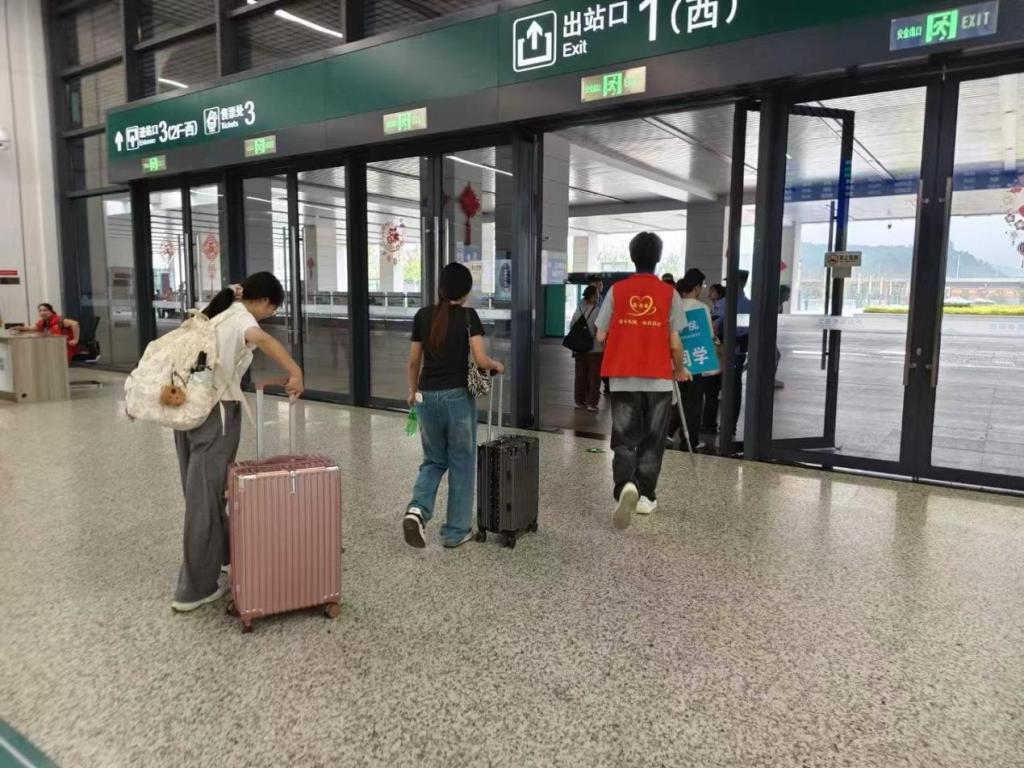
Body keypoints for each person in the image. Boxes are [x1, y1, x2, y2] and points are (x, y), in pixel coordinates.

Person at [171, 272, 304, 613]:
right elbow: (264, 340)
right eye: (273, 309)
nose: (271, 315)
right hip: (215, 414)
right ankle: (194, 589)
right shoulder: (242, 318)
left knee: (202, 494)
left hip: (185, 409)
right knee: (205, 501)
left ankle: (227, 555)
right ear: (264, 301)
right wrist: (295, 371)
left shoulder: (217, 311)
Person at [404, 262, 504, 550]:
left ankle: (417, 510)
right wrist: (497, 365)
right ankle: (455, 531)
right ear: (466, 291)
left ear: (441, 288)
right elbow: (481, 360)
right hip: (457, 398)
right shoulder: (468, 316)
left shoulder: (423, 316)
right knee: (461, 462)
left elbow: (413, 361)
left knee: (434, 461)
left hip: (426, 396)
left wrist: (413, 391)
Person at [596, 233, 690, 529]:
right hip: (659, 380)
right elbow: (675, 343)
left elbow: (600, 335)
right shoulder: (669, 294)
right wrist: (680, 370)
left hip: (623, 377)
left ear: (632, 255)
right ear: (658, 258)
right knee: (653, 439)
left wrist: (624, 336)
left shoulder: (617, 291)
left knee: (624, 438)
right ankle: (646, 496)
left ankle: (625, 485)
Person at [670, 269, 719, 452]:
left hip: (677, 360)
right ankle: (690, 440)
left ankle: (668, 432)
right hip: (696, 362)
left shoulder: (674, 305)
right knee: (695, 402)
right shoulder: (701, 307)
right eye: (703, 286)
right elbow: (708, 335)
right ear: (697, 287)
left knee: (680, 399)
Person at [571, 285, 603, 412]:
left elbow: (572, 325)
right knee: (594, 377)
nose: (598, 297)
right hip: (595, 350)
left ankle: (579, 401)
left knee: (580, 376)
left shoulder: (579, 309)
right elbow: (601, 330)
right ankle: (592, 404)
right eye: (597, 295)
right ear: (593, 296)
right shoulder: (598, 311)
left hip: (579, 348)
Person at [14, 303, 80, 362]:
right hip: (51, 350)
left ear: (51, 311)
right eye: (40, 311)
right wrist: (19, 328)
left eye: (45, 310)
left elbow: (75, 324)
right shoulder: (43, 322)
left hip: (62, 351)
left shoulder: (59, 320)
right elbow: (33, 328)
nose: (42, 313)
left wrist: (75, 340)